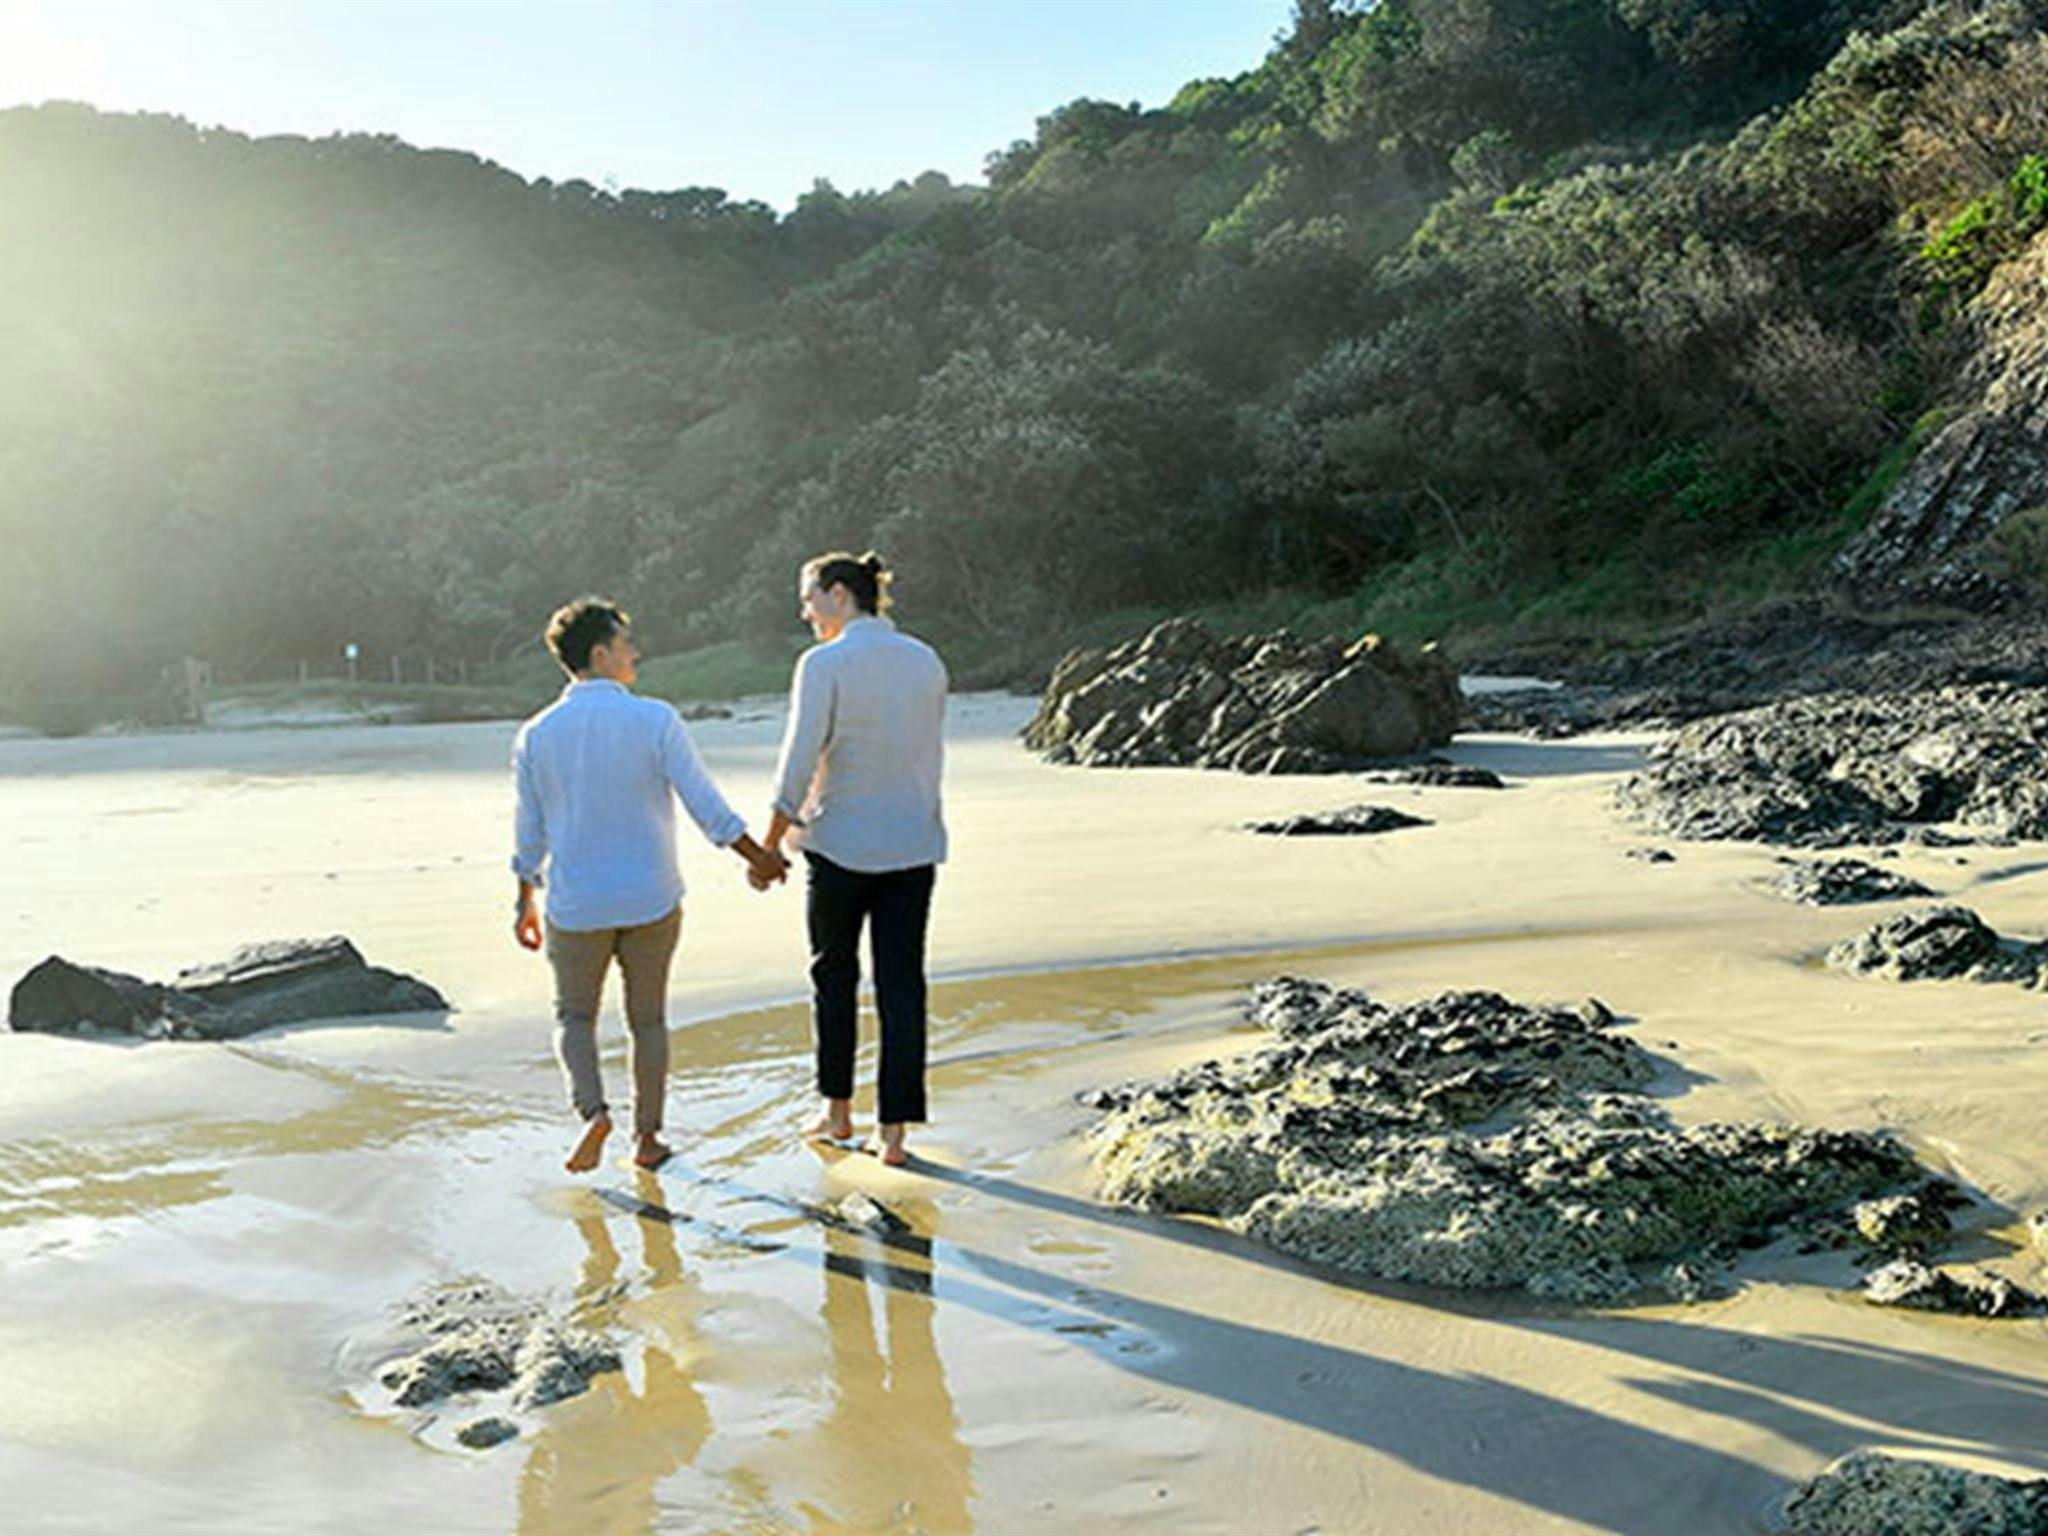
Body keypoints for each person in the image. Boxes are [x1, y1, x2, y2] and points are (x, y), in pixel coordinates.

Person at [512, 597, 787, 1173]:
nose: (634, 652)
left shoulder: (537, 734)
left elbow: (530, 829)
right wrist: (757, 857)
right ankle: (647, 1139)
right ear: (599, 653)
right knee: (648, 1020)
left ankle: (593, 1115)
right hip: (650, 898)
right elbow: (704, 805)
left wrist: (524, 900)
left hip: (577, 902)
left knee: (574, 1018)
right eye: (625, 643)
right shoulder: (655, 719)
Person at [764, 552, 947, 1167]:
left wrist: (769, 842)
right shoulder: (926, 660)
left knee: (833, 979)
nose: (805, 610)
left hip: (840, 844)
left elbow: (799, 756)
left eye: (810, 597)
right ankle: (894, 1134)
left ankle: (837, 1113)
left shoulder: (823, 663)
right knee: (902, 985)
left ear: (840, 594)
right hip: (913, 844)